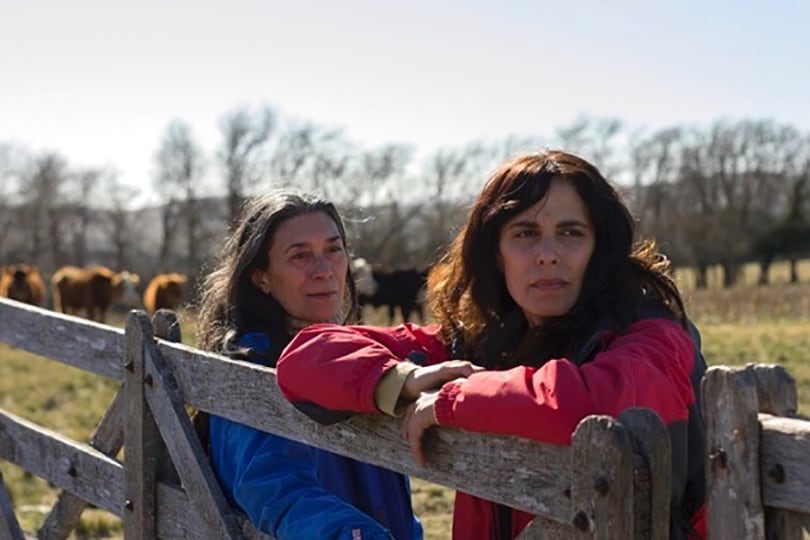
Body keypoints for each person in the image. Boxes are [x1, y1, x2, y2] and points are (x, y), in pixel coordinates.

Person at [276, 151, 707, 539]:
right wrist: (399, 379)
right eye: (524, 233)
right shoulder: (479, 341)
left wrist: (454, 400)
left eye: (571, 232)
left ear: (600, 249)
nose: (547, 254)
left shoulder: (655, 335)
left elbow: (595, 401)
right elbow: (305, 358)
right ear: (495, 253)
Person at [195, 191, 468, 539]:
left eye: (333, 250)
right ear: (260, 277)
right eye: (300, 256)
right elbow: (274, 489)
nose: (324, 270)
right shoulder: (250, 367)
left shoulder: (360, 355)